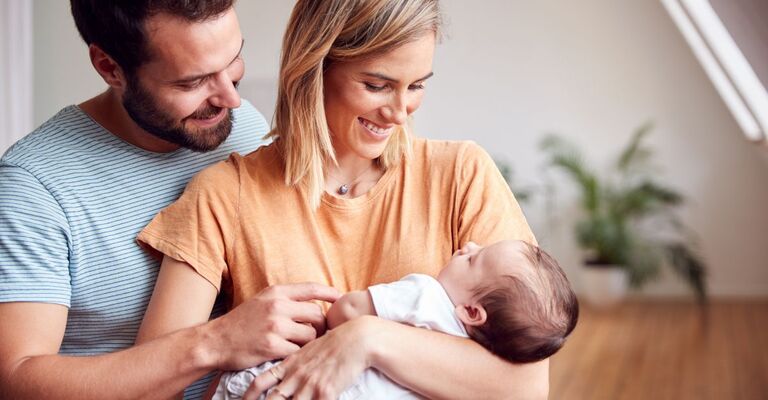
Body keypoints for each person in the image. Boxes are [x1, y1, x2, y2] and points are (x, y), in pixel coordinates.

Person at [136, 0, 551, 399]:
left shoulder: (462, 174)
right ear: (313, 68)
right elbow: (149, 385)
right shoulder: (226, 196)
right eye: (376, 85)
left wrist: (367, 339)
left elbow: (526, 385)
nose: (399, 112)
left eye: (417, 85)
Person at [0, 2, 342, 399]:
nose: (230, 98)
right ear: (110, 68)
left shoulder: (241, 128)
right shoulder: (33, 188)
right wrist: (215, 343)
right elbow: (15, 379)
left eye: (234, 60)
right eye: (192, 82)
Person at [213, 240, 579, 400]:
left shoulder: (426, 295)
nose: (468, 245)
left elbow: (347, 313)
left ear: (472, 311)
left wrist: (343, 316)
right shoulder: (468, 360)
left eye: (474, 260)